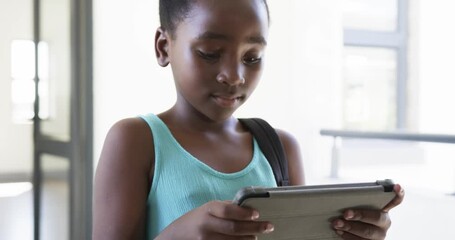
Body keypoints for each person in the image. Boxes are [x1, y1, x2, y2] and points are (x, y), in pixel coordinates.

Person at [92, 0, 405, 239]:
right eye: (210, 53)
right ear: (164, 46)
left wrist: (347, 232)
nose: (234, 76)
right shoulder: (136, 140)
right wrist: (177, 234)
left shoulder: (281, 148)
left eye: (252, 57)